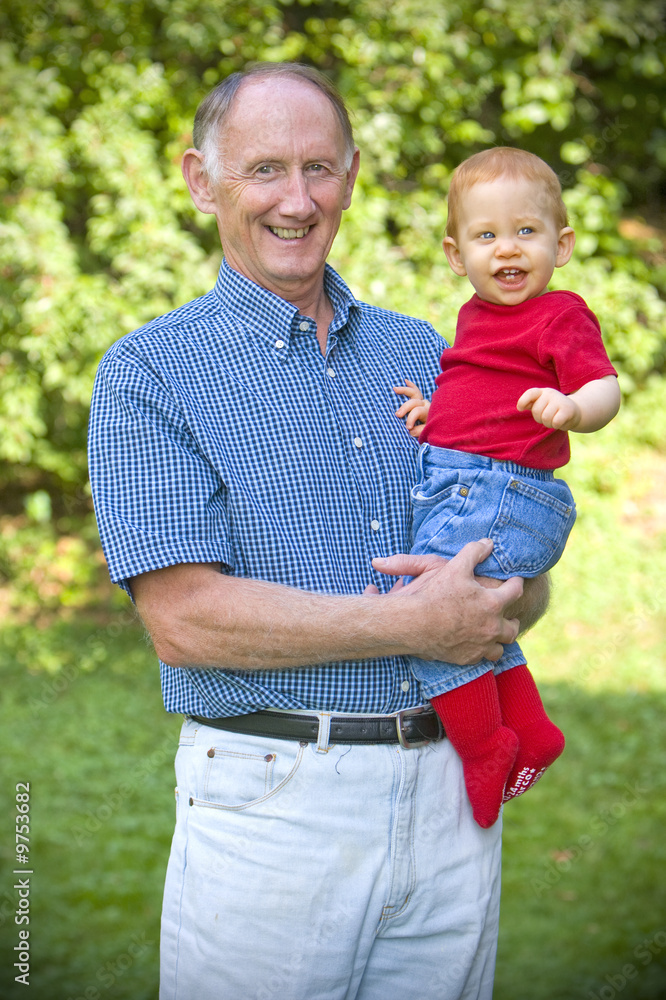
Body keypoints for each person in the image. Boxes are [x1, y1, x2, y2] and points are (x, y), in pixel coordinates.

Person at [88, 66, 550, 1000]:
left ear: (349, 177)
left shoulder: (429, 352)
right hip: (274, 801)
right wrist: (417, 625)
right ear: (199, 180)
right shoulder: (150, 372)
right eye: (264, 169)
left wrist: (509, 589)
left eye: (319, 169)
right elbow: (186, 620)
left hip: (453, 792)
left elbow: (505, 563)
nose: (296, 200)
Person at [393, 147, 620, 829]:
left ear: (563, 243)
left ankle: (485, 746)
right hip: (475, 482)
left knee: (427, 616)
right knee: (475, 614)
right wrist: (439, 415)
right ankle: (531, 726)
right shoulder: (474, 316)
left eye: (526, 231)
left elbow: (605, 388)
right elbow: (481, 391)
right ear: (457, 254)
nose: (507, 250)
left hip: (500, 490)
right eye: (487, 236)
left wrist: (574, 409)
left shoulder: (560, 313)